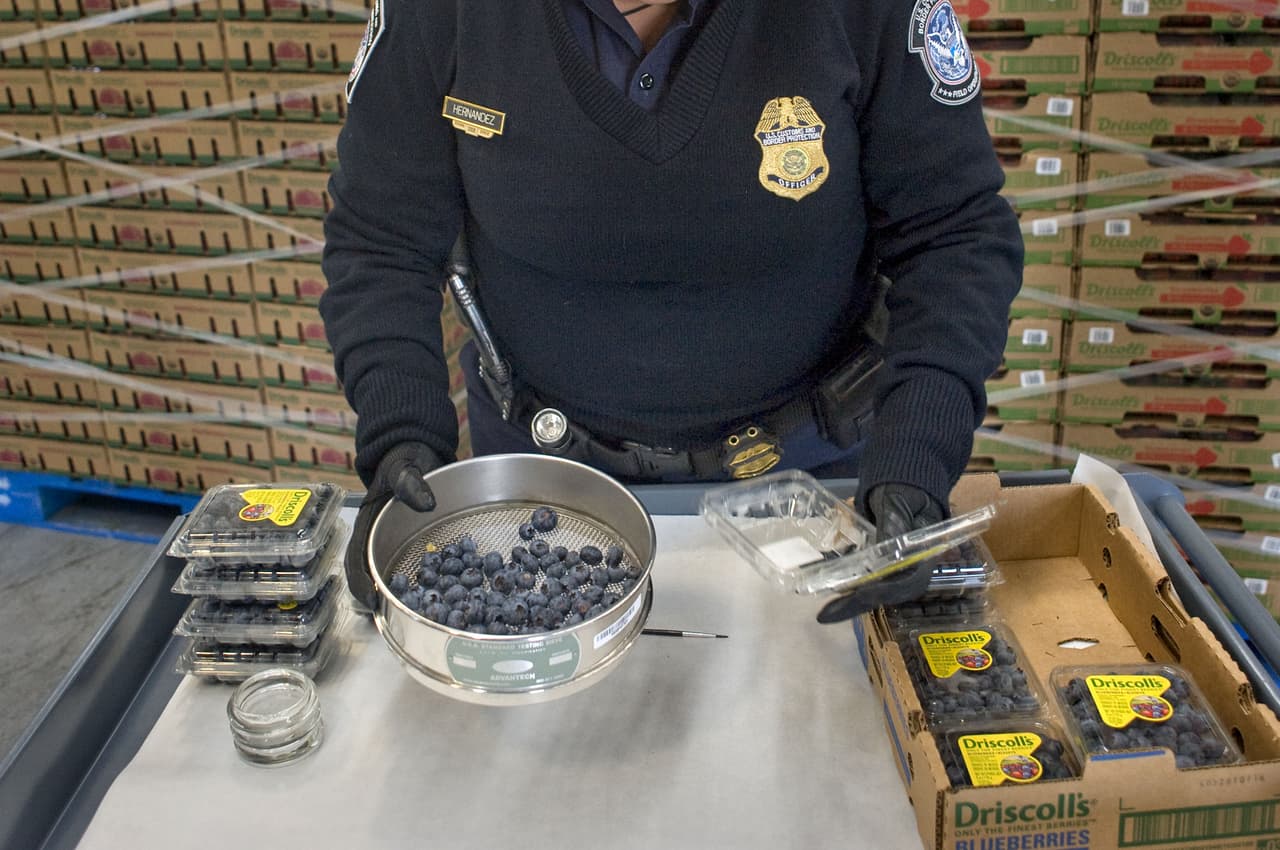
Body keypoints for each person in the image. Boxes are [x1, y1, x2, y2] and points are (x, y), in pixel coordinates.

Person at [319, 0, 1024, 621]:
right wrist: (401, 431)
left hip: (822, 488)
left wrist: (916, 453)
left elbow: (955, 233)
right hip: (541, 484)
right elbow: (381, 239)